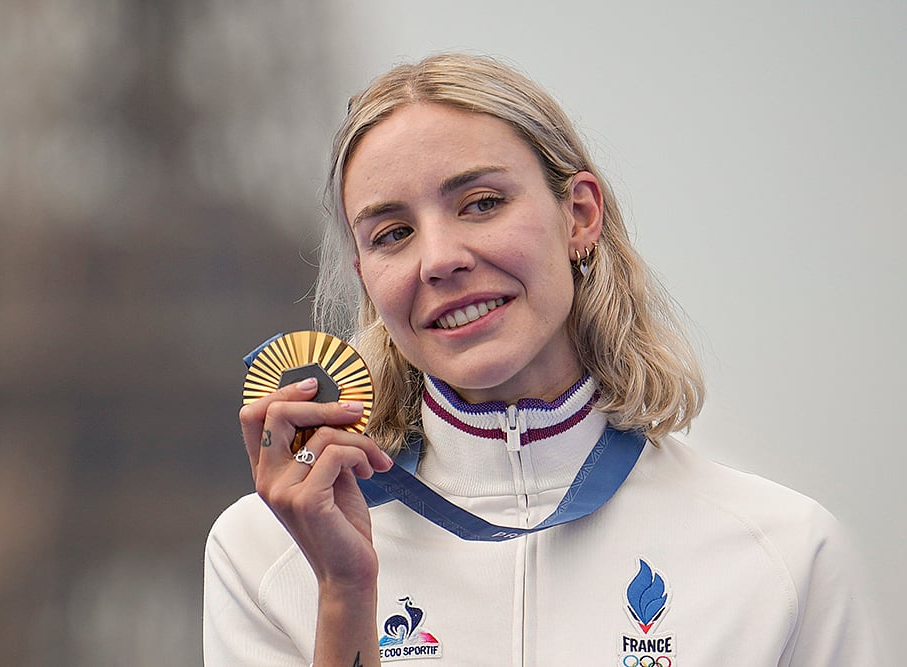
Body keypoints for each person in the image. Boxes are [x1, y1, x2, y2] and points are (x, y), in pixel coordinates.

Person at [203, 53, 878, 666]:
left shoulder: (783, 554)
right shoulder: (266, 551)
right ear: (367, 277)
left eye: (482, 203)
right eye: (393, 233)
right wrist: (346, 593)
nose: (439, 259)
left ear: (579, 215)